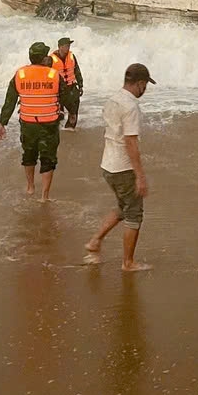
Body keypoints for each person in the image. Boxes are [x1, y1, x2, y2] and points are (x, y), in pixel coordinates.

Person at [85, 63, 156, 271]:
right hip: (122, 168)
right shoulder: (131, 106)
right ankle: (128, 263)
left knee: (123, 207)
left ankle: (94, 242)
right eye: (146, 85)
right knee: (134, 214)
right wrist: (140, 176)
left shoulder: (113, 99)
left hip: (108, 165)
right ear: (141, 84)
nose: (145, 90)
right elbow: (131, 143)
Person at [0, 41, 62, 201]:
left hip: (28, 124)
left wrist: (2, 123)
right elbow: (66, 97)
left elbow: (10, 100)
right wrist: (73, 113)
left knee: (29, 155)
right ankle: (44, 195)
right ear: (43, 58)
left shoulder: (20, 74)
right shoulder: (54, 75)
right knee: (48, 159)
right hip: (49, 125)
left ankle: (30, 186)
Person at [51, 37, 84, 129]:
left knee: (73, 113)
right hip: (58, 90)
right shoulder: (50, 59)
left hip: (72, 87)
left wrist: (80, 85)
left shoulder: (72, 56)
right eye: (66, 46)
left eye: (69, 46)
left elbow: (77, 70)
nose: (68, 48)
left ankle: (69, 130)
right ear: (60, 47)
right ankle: (58, 132)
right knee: (58, 116)